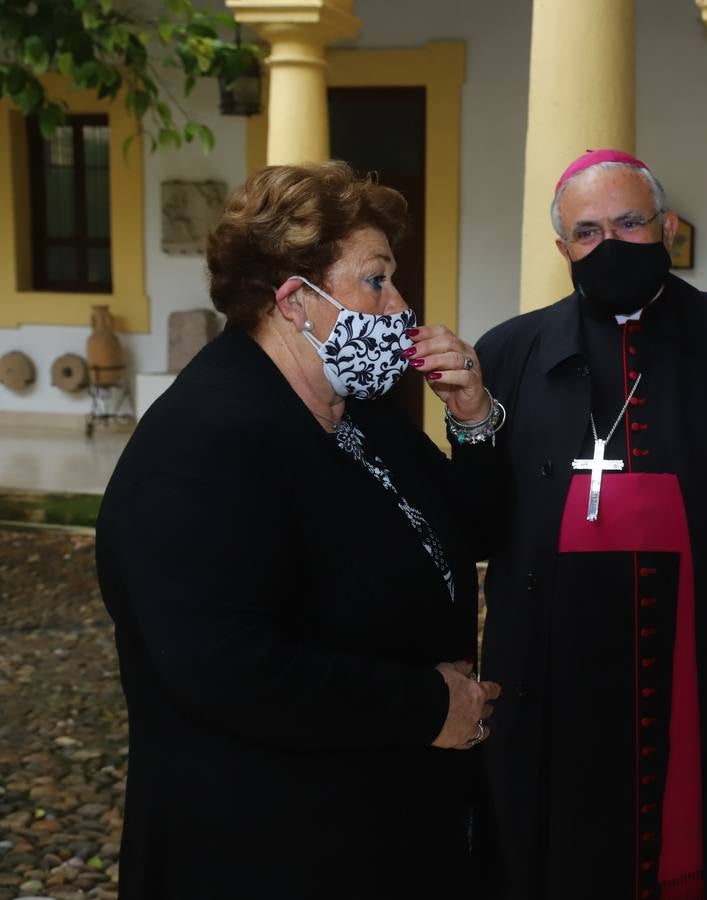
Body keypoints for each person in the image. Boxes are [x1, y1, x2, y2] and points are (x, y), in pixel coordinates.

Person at [95, 161, 506, 899]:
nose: (402, 306)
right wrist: (428, 706)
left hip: (380, 825)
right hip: (268, 846)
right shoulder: (206, 444)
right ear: (295, 300)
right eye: (377, 280)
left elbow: (473, 529)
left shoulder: (361, 415)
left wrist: (472, 416)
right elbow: (225, 666)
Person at [474, 149, 707, 900]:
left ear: (669, 228)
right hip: (559, 646)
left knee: (706, 803)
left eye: (629, 222)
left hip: (703, 629)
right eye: (586, 233)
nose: (609, 245)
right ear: (562, 251)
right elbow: (485, 511)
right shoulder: (509, 352)